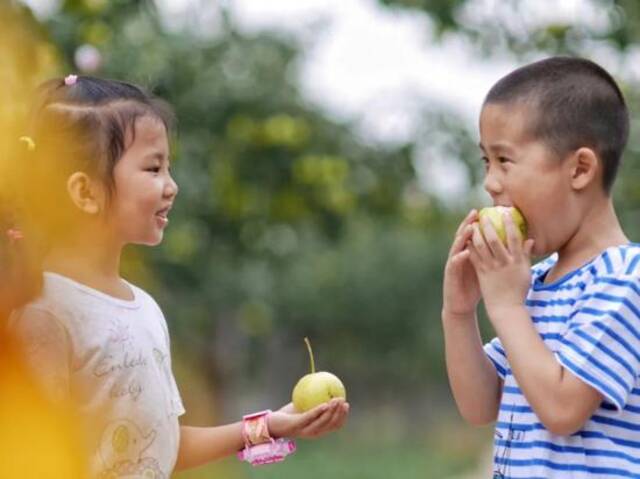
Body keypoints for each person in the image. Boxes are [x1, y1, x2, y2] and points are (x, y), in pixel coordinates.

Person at [11, 74, 349, 478]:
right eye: (153, 168)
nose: (172, 186)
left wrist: (272, 425)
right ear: (85, 192)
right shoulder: (44, 312)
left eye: (169, 168)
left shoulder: (144, 308)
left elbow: (161, 443)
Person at [442, 56, 640, 478]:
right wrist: (459, 313)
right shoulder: (537, 281)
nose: (490, 183)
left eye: (505, 160)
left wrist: (506, 306)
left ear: (580, 168)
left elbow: (563, 408)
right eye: (485, 162)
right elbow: (480, 406)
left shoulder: (625, 278)